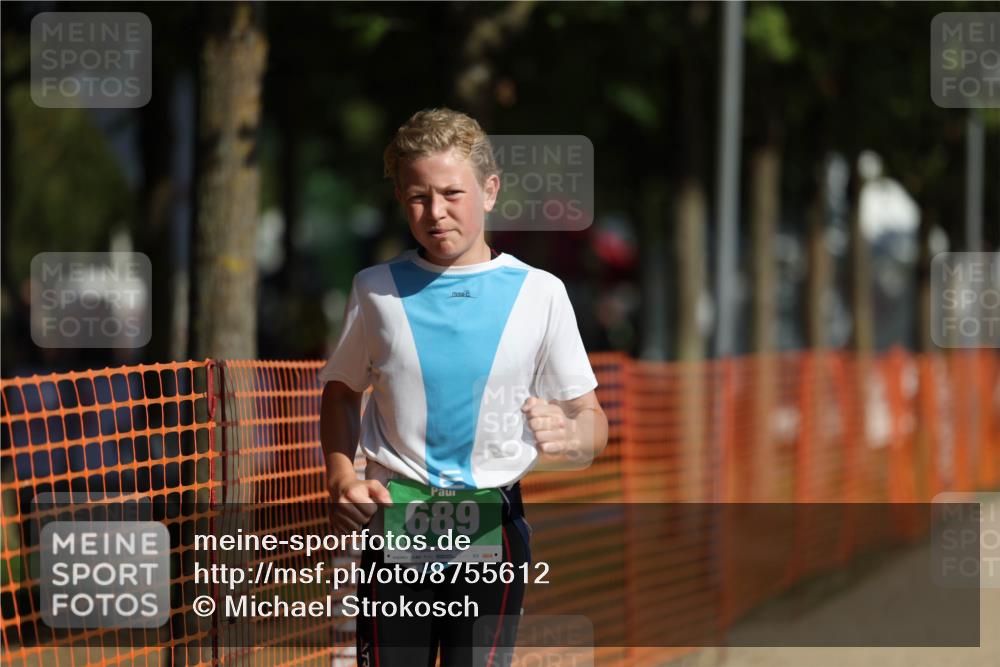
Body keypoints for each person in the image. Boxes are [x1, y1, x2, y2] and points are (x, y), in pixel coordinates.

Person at [319, 107, 609, 667]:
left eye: (453, 193)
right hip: (394, 522)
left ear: (490, 190)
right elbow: (341, 391)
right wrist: (339, 477)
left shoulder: (541, 293)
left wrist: (572, 435)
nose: (436, 212)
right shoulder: (374, 290)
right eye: (418, 197)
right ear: (400, 199)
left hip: (491, 525)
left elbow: (592, 421)